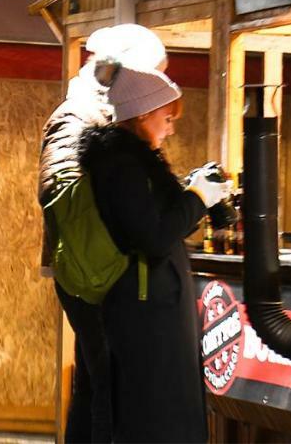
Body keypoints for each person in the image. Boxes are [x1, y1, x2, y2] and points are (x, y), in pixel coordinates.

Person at [80, 66, 228, 443]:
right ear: (143, 113)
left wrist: (189, 195)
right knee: (156, 418)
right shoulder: (123, 164)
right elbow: (155, 236)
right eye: (167, 117)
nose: (171, 128)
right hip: (145, 313)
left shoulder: (128, 160)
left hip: (151, 306)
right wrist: (196, 198)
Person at [38, 24, 167, 442]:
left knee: (96, 380)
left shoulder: (94, 112)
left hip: (92, 271)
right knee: (107, 383)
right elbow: (59, 189)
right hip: (93, 272)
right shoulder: (82, 114)